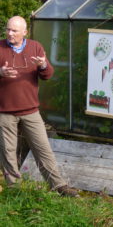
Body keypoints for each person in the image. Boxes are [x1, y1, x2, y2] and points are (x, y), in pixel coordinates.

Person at [0, 16, 78, 197]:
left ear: (24, 32)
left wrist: (42, 64)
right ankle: (14, 189)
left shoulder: (35, 47)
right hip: (4, 111)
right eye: (8, 29)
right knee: (8, 151)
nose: (10, 33)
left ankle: (59, 186)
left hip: (30, 110)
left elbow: (48, 74)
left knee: (43, 148)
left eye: (14, 30)